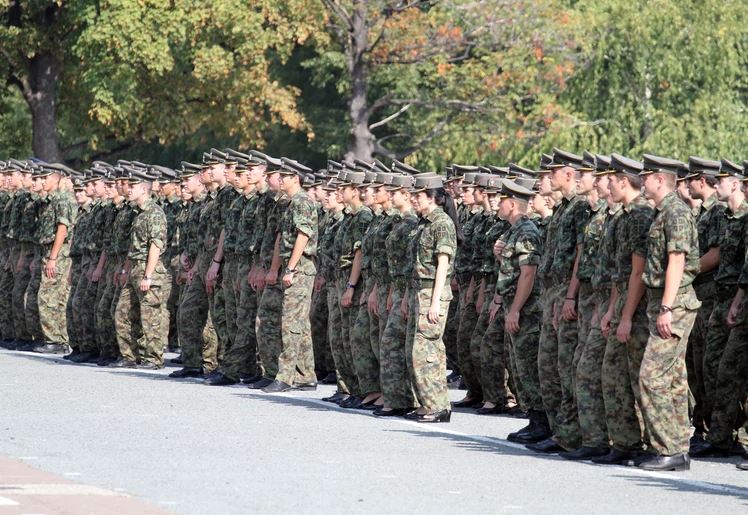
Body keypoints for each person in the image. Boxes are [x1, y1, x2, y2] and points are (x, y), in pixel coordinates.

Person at [637, 154, 701, 471]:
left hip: (673, 305)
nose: (641, 181)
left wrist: (666, 307)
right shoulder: (662, 212)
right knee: (674, 379)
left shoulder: (675, 212)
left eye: (645, 176)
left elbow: (677, 260)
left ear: (659, 179)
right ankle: (678, 449)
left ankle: (668, 447)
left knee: (651, 377)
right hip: (664, 302)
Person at [690, 158, 748, 460]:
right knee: (713, 368)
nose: (717, 184)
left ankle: (731, 435)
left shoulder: (743, 217)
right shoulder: (727, 217)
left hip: (732, 299)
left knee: (728, 370)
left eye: (722, 180)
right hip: (723, 298)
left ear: (734, 184)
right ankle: (719, 434)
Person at [404, 174, 458, 423]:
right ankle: (428, 403)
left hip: (432, 293)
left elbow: (443, 264)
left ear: (433, 198)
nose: (414, 200)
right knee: (415, 350)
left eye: (419, 196)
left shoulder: (442, 223)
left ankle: (438, 405)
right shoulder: (423, 223)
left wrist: (435, 302)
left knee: (427, 351)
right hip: (419, 291)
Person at [262, 159, 318, 392]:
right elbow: (281, 239)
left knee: (291, 323)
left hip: (301, 267)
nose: (280, 180)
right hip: (290, 265)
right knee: (299, 324)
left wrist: (292, 268)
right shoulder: (290, 203)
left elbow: (303, 236)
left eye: (285, 176)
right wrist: (277, 268)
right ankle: (305, 375)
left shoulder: (303, 202)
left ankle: (285, 376)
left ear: (296, 179)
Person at [111, 169, 171, 368]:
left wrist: (148, 275)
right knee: (123, 312)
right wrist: (126, 270)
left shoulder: (154, 213)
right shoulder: (137, 214)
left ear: (144, 189)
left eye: (133, 186)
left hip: (148, 268)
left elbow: (156, 245)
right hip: (134, 268)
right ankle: (129, 356)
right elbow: (133, 246)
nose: (128, 190)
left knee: (150, 316)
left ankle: (153, 358)